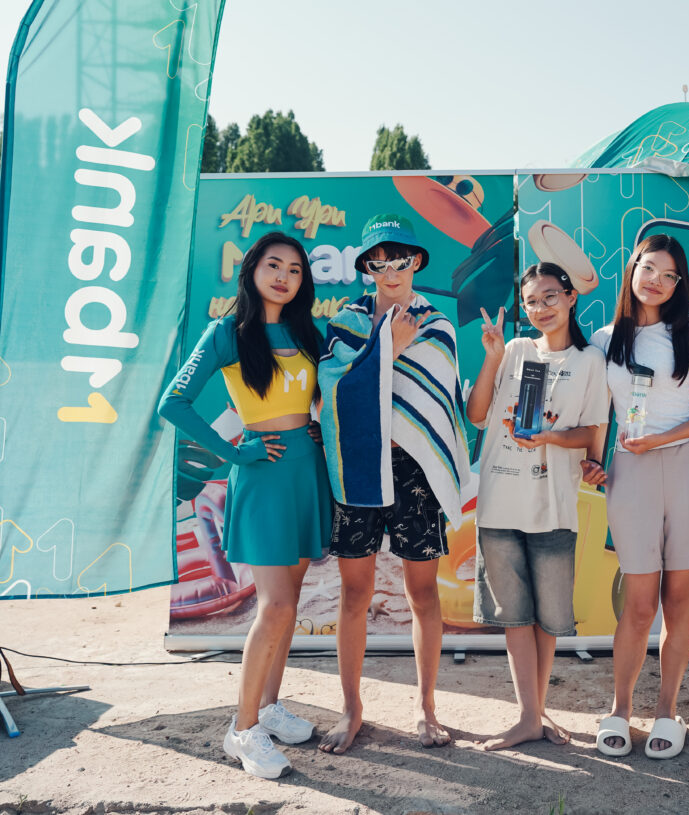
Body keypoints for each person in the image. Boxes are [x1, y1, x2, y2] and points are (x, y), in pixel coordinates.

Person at [158, 232, 329, 779]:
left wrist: (319, 431)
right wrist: (232, 450)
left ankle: (270, 708)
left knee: (290, 602)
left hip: (307, 471)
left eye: (295, 270)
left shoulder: (307, 332)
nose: (283, 277)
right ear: (252, 269)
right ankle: (243, 728)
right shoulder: (227, 333)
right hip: (263, 476)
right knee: (274, 605)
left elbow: (325, 397)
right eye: (274, 265)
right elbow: (173, 403)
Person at [317, 213, 469, 753]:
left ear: (417, 262)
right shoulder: (346, 322)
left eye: (400, 260)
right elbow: (332, 392)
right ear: (366, 268)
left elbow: (441, 402)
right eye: (378, 263)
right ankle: (351, 708)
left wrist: (393, 347)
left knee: (422, 592)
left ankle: (427, 708)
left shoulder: (438, 324)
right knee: (355, 593)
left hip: (415, 468)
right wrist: (388, 347)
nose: (391, 271)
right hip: (359, 467)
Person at [589, 234, 689, 760]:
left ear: (678, 285)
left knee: (678, 599)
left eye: (669, 275)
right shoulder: (603, 340)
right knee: (639, 602)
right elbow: (596, 412)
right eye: (649, 268)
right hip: (632, 471)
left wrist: (662, 439)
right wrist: (594, 459)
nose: (656, 281)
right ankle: (620, 709)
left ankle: (667, 711)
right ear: (632, 269)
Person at [466, 262, 609, 751]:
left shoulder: (590, 361)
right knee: (514, 617)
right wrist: (491, 357)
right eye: (531, 301)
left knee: (548, 619)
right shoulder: (514, 350)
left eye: (550, 297)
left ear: (570, 298)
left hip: (554, 503)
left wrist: (549, 437)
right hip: (500, 501)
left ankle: (536, 712)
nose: (541, 308)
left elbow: (591, 431)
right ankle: (529, 716)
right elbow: (477, 414)